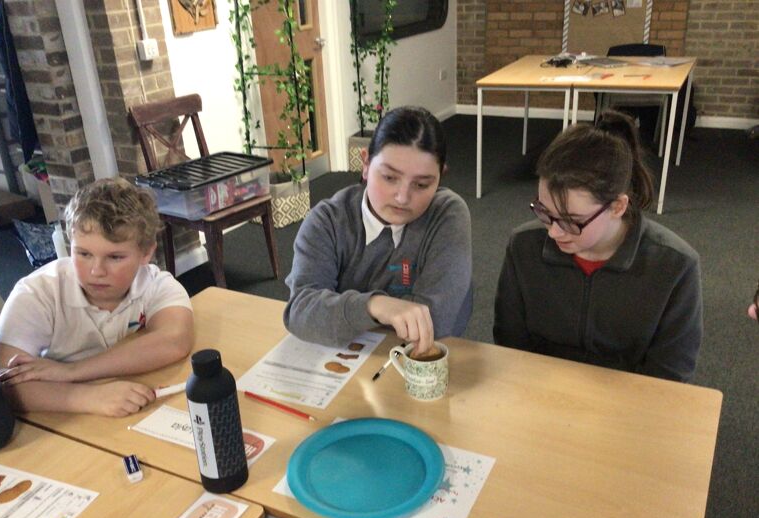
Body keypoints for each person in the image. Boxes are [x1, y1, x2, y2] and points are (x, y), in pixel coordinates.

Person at [493, 110, 702, 383]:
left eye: (571, 221)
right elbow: (510, 346)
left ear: (617, 206)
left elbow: (670, 375)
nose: (553, 232)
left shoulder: (675, 266)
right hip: (539, 389)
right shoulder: (523, 246)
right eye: (544, 212)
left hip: (628, 399)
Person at [0, 177, 194, 417]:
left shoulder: (156, 283)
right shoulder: (38, 292)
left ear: (146, 253)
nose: (96, 271)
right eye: (83, 254)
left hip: (114, 400)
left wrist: (71, 371)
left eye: (115, 257)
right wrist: (87, 397)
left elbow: (174, 340)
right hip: (57, 415)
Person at [284, 106, 472, 355]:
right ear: (365, 164)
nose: (402, 197)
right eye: (389, 177)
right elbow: (300, 313)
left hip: (420, 358)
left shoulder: (447, 214)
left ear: (440, 177)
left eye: (421, 184)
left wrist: (339, 314)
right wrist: (374, 305)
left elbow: (436, 321)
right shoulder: (328, 220)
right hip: (348, 358)